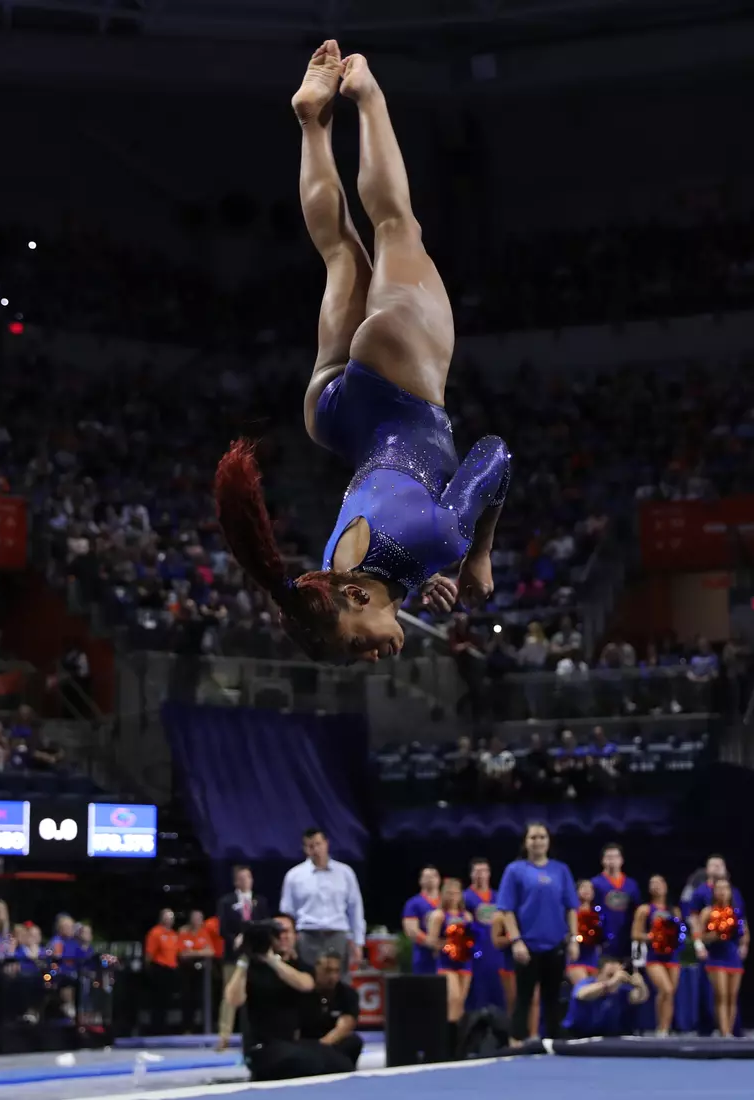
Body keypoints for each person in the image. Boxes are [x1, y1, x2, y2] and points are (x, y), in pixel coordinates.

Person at [213, 41, 510, 663]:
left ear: (355, 601)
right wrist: (418, 580)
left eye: (357, 648)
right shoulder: (324, 574)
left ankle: (366, 95)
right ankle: (312, 120)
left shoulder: (438, 540)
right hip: (336, 415)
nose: (373, 658)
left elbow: (493, 455)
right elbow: (384, 557)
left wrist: (475, 556)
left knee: (397, 225)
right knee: (339, 252)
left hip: (403, 387)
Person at [223, 916, 351, 1081]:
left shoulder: (299, 965)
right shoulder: (253, 967)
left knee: (341, 1062)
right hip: (262, 1047)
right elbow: (233, 1000)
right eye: (277, 933)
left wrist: (271, 960)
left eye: (286, 932)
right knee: (307, 1061)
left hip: (292, 1043)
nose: (282, 936)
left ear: (295, 935)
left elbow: (306, 984)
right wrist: (244, 960)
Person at [496, 822, 579, 1041]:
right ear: (525, 842)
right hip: (527, 946)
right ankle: (516, 1045)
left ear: (548, 841)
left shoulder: (561, 870)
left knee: (553, 999)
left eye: (542, 837)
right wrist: (516, 941)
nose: (538, 841)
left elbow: (571, 907)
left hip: (555, 945)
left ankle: (555, 1045)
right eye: (533, 837)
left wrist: (574, 939)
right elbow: (507, 910)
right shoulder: (514, 870)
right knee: (523, 999)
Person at [280, 828, 365, 969]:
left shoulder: (345, 873)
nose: (316, 849)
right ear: (305, 849)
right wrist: (289, 943)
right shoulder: (294, 876)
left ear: (326, 843)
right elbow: (287, 912)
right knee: (308, 981)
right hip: (307, 935)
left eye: (318, 844)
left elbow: (355, 908)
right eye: (311, 846)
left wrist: (358, 942)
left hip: (337, 934)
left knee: (339, 983)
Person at [215, 866, 269, 1051]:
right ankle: (224, 1036)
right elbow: (222, 929)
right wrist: (236, 938)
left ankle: (259, 1035)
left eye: (248, 877)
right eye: (242, 878)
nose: (246, 881)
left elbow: (266, 925)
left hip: (256, 957)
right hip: (233, 956)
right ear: (236, 881)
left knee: (257, 996)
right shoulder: (226, 902)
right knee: (229, 996)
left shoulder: (260, 902)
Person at [695, 877, 747, 1038]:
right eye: (719, 889)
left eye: (726, 888)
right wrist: (713, 937)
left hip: (732, 956)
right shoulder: (708, 911)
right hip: (716, 957)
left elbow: (744, 932)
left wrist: (744, 946)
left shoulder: (736, 912)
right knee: (721, 995)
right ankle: (724, 1032)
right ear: (714, 892)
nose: (722, 892)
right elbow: (698, 935)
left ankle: (730, 1030)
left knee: (732, 996)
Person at [632, 874, 683, 1037]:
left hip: (672, 956)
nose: (656, 886)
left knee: (669, 993)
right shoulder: (645, 910)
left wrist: (673, 938)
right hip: (654, 956)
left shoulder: (674, 910)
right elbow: (635, 934)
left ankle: (664, 1028)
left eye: (659, 882)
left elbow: (680, 933)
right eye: (652, 883)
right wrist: (655, 936)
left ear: (666, 886)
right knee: (665, 989)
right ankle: (660, 1029)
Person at [298, 952, 363, 1068]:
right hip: (305, 1042)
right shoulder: (302, 991)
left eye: (336, 971)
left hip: (331, 1043)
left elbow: (345, 1025)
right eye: (327, 971)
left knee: (354, 1041)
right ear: (316, 969)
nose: (332, 976)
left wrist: (322, 1046)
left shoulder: (348, 993)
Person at [560, 956, 649, 1039]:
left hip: (606, 1036)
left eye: (618, 975)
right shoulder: (586, 983)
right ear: (597, 974)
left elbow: (639, 998)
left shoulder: (620, 989)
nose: (617, 979)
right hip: (577, 1035)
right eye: (610, 975)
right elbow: (582, 994)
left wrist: (641, 986)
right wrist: (611, 982)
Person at [428, 877, 475, 1025]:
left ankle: (459, 1037)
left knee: (461, 1000)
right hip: (446, 963)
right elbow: (431, 941)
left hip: (465, 962)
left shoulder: (467, 916)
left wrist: (470, 948)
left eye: (456, 893)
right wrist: (449, 945)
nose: (453, 897)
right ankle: (449, 1032)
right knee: (453, 998)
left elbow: (473, 939)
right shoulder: (439, 915)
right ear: (444, 894)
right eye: (450, 893)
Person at [462, 858, 504, 1012]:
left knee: (499, 990)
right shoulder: (464, 897)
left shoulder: (499, 896)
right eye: (477, 871)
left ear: (489, 874)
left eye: (483, 871)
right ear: (471, 874)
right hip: (476, 951)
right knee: (477, 991)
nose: (480, 875)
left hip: (496, 950)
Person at [590, 844, 638, 958]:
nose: (612, 860)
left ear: (621, 860)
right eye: (609, 857)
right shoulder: (595, 883)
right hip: (602, 937)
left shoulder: (631, 885)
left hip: (626, 936)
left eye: (616, 856)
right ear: (602, 860)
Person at [401, 866, 442, 976]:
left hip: (447, 957)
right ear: (420, 880)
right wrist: (432, 943)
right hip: (423, 957)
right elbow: (411, 930)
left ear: (439, 879)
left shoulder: (447, 902)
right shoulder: (413, 903)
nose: (430, 879)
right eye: (427, 876)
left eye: (433, 876)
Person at [567, 879, 603, 986]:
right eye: (583, 887)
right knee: (583, 989)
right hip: (575, 957)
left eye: (590, 888)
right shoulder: (571, 912)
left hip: (592, 957)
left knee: (593, 994)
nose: (587, 890)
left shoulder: (598, 913)